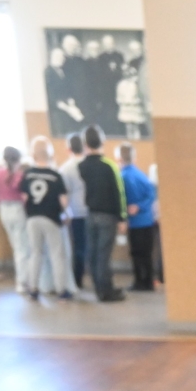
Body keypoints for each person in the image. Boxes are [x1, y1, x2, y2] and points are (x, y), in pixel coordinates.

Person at [78, 125, 126, 302]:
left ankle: (99, 288)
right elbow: (118, 193)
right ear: (102, 142)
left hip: (90, 214)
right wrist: (122, 217)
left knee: (92, 254)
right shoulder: (109, 166)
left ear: (85, 144)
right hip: (108, 216)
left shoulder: (81, 166)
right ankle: (107, 291)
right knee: (104, 255)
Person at [21, 136, 73, 300]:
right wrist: (66, 214)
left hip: (32, 218)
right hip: (51, 218)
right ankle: (61, 290)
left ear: (33, 155)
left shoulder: (27, 175)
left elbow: (24, 198)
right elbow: (63, 201)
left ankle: (33, 289)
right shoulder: (55, 175)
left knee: (35, 253)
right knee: (57, 254)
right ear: (50, 155)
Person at [0, 145, 30, 294]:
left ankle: (23, 280)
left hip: (4, 210)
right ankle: (23, 282)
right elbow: (25, 197)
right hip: (18, 209)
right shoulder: (20, 175)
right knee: (23, 248)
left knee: (15, 246)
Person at [117, 142, 157, 292]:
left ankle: (139, 282)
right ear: (134, 157)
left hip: (135, 222)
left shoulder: (122, 177)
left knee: (136, 254)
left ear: (119, 159)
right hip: (147, 220)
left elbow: (122, 199)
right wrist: (141, 206)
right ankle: (149, 282)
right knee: (147, 254)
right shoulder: (141, 175)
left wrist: (128, 212)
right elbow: (151, 195)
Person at [63, 132, 89, 291]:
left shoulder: (66, 168)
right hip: (91, 210)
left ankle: (77, 279)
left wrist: (65, 213)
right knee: (93, 246)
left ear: (68, 149)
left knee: (79, 247)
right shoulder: (90, 164)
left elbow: (64, 194)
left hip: (75, 212)